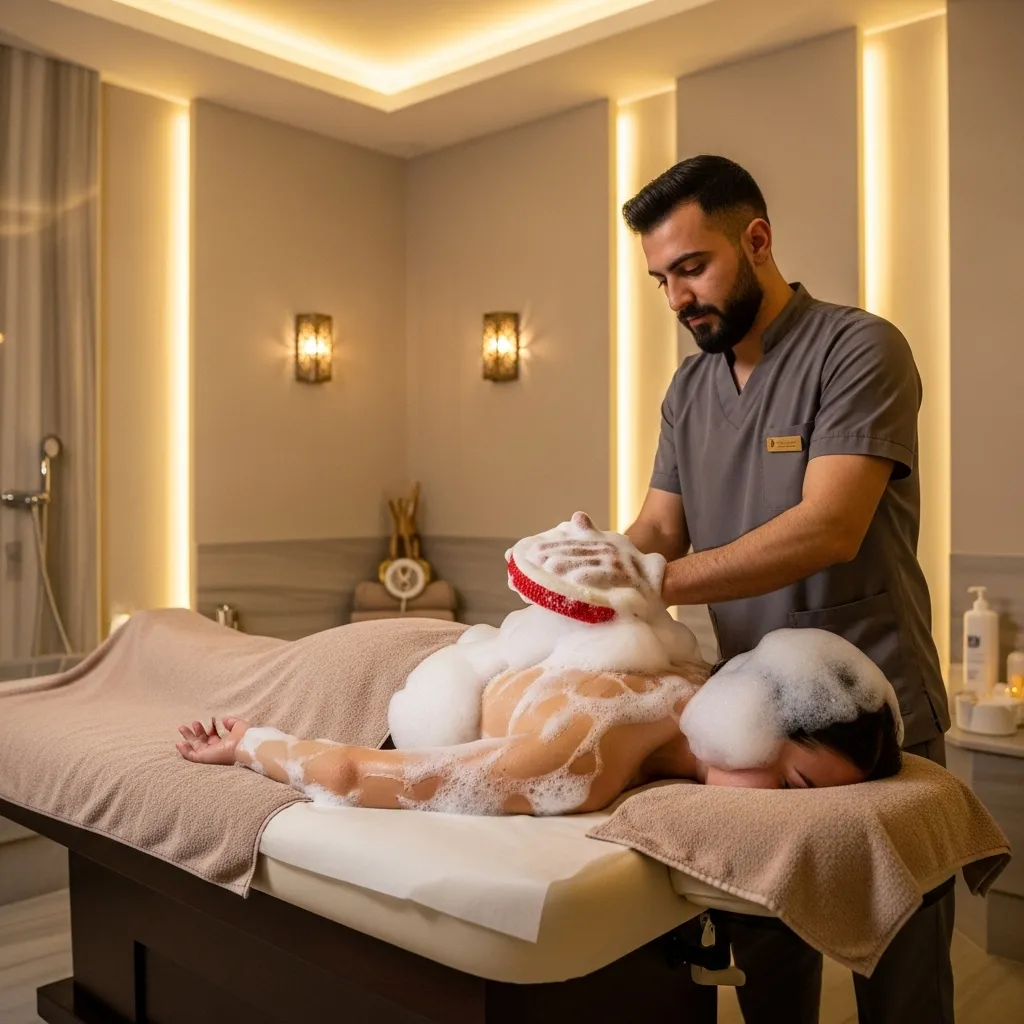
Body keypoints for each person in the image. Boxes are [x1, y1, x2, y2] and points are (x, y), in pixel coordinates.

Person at [620, 155, 952, 1024]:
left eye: (693, 267)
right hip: (753, 726)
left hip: (876, 710)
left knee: (903, 981)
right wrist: (591, 571)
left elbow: (828, 526)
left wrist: (654, 581)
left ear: (757, 241)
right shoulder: (690, 388)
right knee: (769, 968)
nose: (677, 298)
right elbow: (659, 529)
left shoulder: (859, 348)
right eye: (662, 280)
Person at [176, 514, 904, 812]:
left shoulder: (693, 674)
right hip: (382, 673)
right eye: (795, 782)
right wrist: (248, 744)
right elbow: (350, 773)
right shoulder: (588, 751)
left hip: (461, 653)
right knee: (187, 655)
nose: (786, 805)